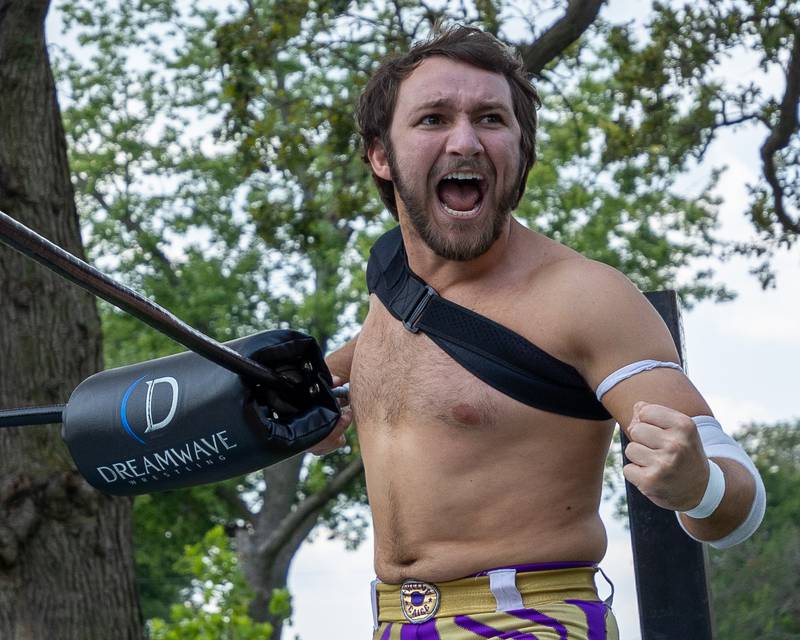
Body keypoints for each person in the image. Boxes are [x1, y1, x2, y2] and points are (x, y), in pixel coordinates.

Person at [314, 25, 765, 639]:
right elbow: (409, 361)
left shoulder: (585, 297)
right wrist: (323, 399)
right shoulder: (392, 276)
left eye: (492, 119)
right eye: (433, 119)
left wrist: (698, 486)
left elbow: (740, 503)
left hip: (527, 619)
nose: (465, 141)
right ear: (381, 155)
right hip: (393, 623)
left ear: (521, 149)